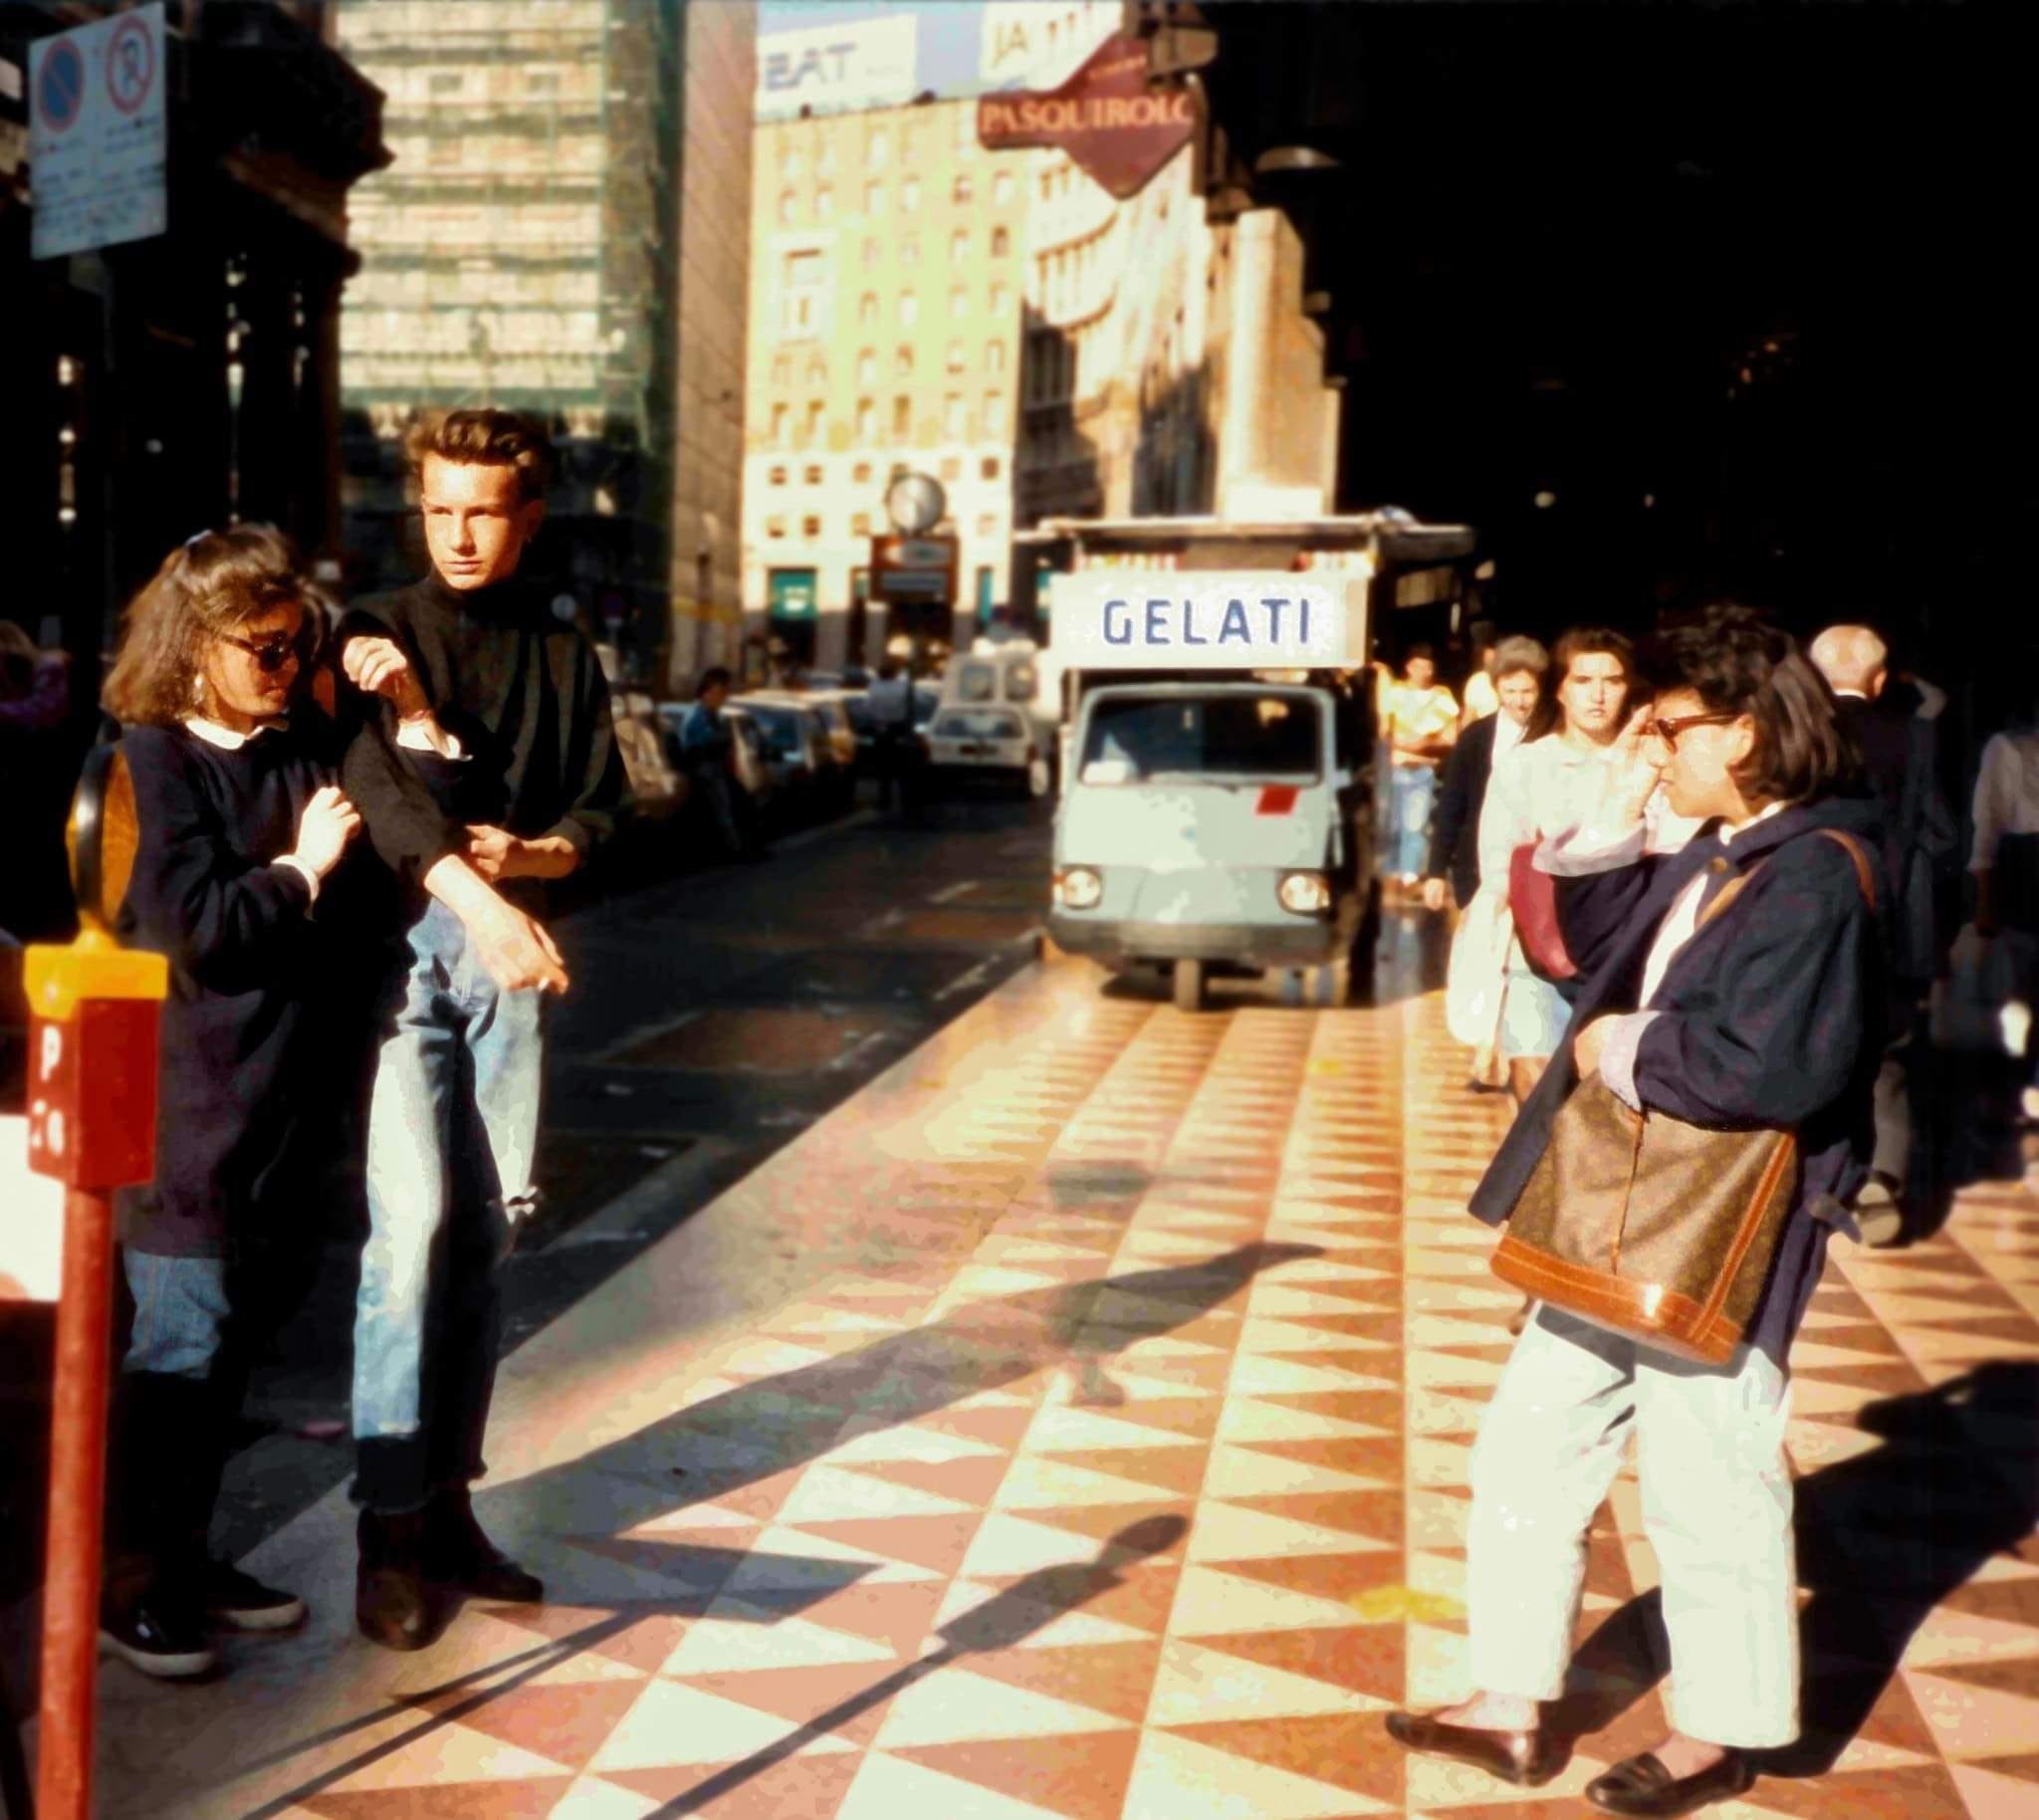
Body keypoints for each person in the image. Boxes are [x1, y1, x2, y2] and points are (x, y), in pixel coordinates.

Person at [1388, 606, 1884, 1820]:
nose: (1655, 747)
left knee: (1705, 1477)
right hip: (1624, 1216)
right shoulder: (1724, 847)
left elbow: (1761, 1066)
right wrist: (1620, 822)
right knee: (1525, 1445)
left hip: (1725, 1227)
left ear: (1755, 730)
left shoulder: (1813, 868)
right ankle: (1508, 1700)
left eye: (1674, 728)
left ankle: (1720, 1729)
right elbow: (1583, 951)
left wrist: (1623, 1048)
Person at [339, 408, 626, 1651]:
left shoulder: (567, 653)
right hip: (402, 957)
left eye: (484, 511)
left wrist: (544, 849)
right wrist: (478, 881)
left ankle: (448, 1506)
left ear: (529, 516)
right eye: (439, 507)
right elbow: (377, 797)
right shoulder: (369, 630)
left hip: (513, 964)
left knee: (486, 1243)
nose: (458, 534)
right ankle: (387, 1532)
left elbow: (603, 807)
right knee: (408, 1235)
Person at [97, 527, 376, 1678]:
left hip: (282, 1126)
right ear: (194, 645)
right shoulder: (150, 761)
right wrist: (302, 872)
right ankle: (128, 1586)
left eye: (293, 642)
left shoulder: (296, 750)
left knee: (228, 1364)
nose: (281, 663)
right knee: (176, 1358)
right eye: (260, 645)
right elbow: (192, 931)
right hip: (184, 1122)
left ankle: (187, 1555)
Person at [1477, 628, 1673, 1107]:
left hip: (1624, 957)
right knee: (1535, 1083)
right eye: (1584, 680)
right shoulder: (1524, 766)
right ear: (1561, 689)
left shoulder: (1655, 763)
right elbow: (1497, 861)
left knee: (1606, 1099)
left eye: (1612, 680)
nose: (1599, 694)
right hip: (1540, 955)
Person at [1810, 624, 1955, 1243]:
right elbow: (1944, 836)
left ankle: (1822, 1173)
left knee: (1817, 1039)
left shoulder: (1804, 738)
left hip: (1815, 915)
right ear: (1877, 678)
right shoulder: (1918, 739)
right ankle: (1884, 1177)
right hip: (1898, 919)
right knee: (1890, 1051)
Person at [1425, 637, 1552, 915]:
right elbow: (1451, 804)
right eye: (1510, 691)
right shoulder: (1475, 737)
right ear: (1496, 688)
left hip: (1540, 872)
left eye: (1528, 691)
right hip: (1478, 869)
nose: (1519, 701)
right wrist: (1436, 871)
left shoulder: (1555, 733)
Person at [1382, 646, 1460, 887]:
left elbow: (1451, 738)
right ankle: (1389, 872)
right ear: (1409, 667)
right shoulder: (1394, 693)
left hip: (1423, 770)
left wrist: (1425, 744)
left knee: (1415, 826)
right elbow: (1383, 731)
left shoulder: (1443, 696)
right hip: (1394, 767)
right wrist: (1401, 742)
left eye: (1428, 665)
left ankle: (1409, 874)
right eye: (1419, 665)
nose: (1424, 670)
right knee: (1390, 824)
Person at [677, 665, 758, 860]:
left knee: (741, 799)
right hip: (704, 771)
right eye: (720, 693)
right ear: (708, 692)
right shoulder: (696, 717)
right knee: (724, 806)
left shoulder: (711, 715)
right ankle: (735, 849)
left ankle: (745, 845)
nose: (723, 698)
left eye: (724, 693)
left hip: (715, 768)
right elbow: (697, 747)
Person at [866, 658, 917, 815]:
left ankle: (884, 800)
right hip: (899, 728)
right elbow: (911, 709)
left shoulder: (873, 687)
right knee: (903, 770)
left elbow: (869, 708)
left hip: (881, 729)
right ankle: (904, 802)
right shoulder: (904, 687)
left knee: (883, 769)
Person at [1461, 620, 1501, 729]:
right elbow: (1468, 719)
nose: (1491, 656)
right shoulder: (1477, 681)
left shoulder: (1513, 679)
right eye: (1487, 651)